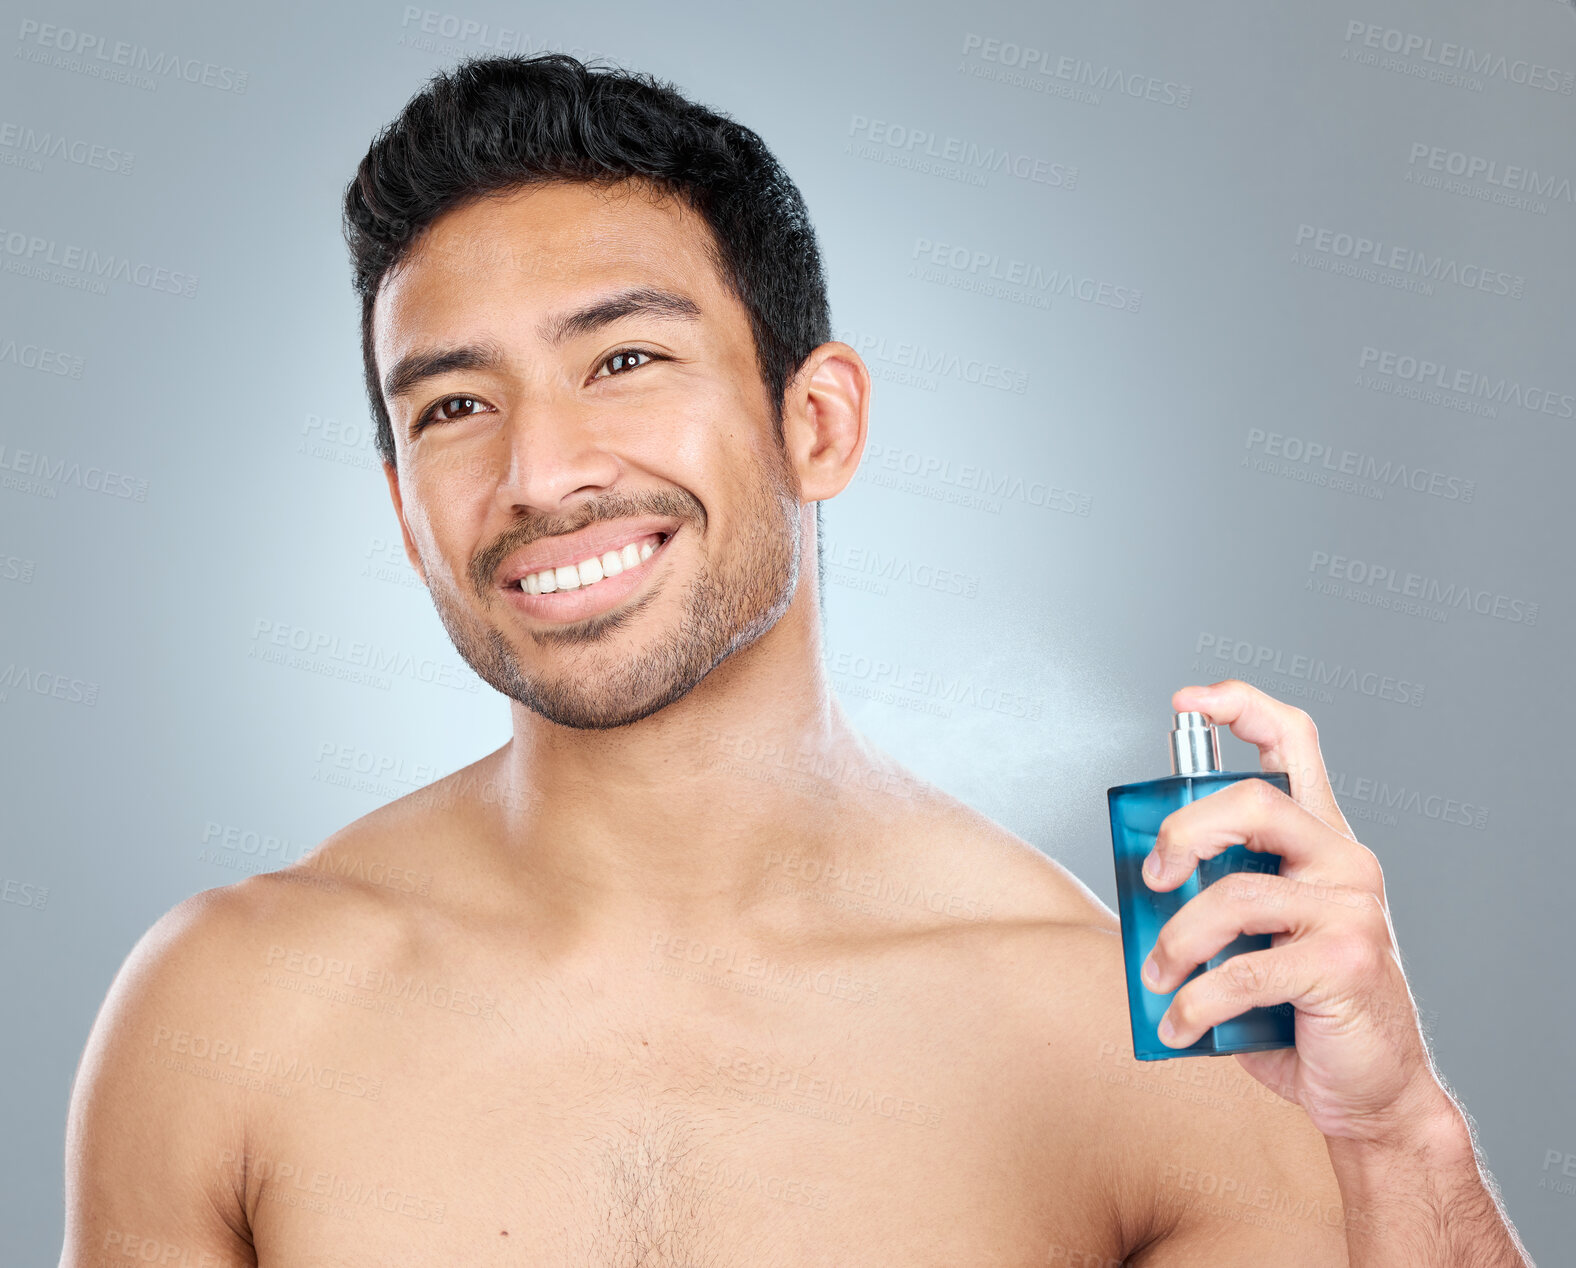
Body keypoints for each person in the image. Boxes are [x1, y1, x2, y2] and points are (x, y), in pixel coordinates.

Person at [60, 53, 1532, 1266]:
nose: (541, 473)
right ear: (402, 511)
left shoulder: (1138, 1037)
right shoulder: (226, 1014)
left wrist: (1401, 1138)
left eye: (624, 359)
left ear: (816, 423)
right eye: (453, 406)